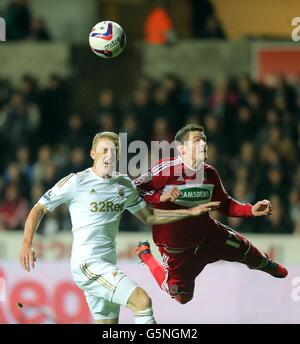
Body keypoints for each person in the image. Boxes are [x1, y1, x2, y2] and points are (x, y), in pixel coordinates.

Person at [19, 131, 219, 324]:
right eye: (104, 150)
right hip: (87, 264)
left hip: (107, 266)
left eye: (114, 151)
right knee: (142, 301)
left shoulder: (123, 184)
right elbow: (38, 209)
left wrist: (189, 213)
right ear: (93, 154)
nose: (110, 155)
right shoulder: (76, 181)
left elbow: (149, 217)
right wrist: (27, 244)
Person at [134, 124, 288, 305]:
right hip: (178, 253)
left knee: (245, 248)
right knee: (181, 297)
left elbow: (225, 204)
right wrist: (161, 196)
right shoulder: (164, 169)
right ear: (181, 149)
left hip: (208, 236)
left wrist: (250, 210)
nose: (203, 144)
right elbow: (134, 190)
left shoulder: (209, 172)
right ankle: (146, 256)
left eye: (204, 140)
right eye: (197, 140)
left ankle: (266, 265)